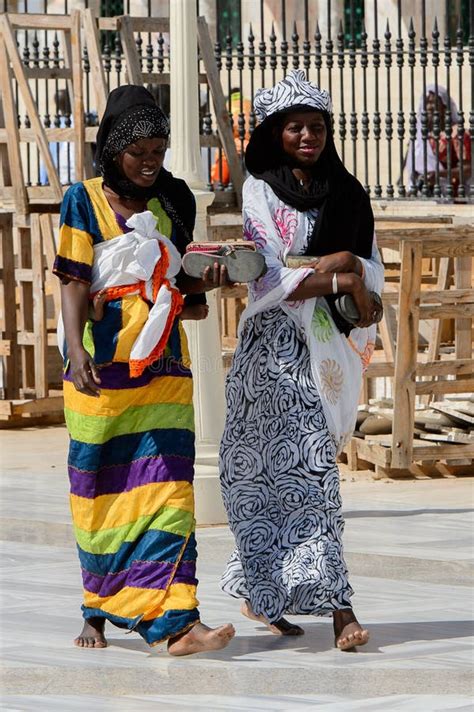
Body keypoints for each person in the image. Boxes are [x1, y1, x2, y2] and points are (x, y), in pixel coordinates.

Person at [53, 85, 234, 655]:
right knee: (101, 493)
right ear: (113, 151)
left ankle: (180, 619)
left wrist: (207, 282)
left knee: (168, 490)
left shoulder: (172, 201)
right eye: (140, 152)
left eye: (159, 148)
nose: (152, 160)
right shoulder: (82, 201)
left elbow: (184, 285)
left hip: (163, 367)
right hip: (100, 374)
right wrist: (77, 350)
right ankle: (98, 607)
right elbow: (74, 278)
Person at [219, 69, 384, 650]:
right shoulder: (259, 190)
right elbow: (265, 275)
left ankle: (334, 608)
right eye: (295, 128)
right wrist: (341, 272)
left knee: (315, 472)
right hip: (268, 354)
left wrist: (342, 266)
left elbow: (373, 274)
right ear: (274, 133)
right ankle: (278, 599)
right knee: (262, 480)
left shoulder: (349, 191)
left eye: (317, 126)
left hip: (324, 352)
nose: (308, 136)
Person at [406, 84, 471, 197]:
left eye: (434, 102)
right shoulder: (421, 137)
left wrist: (438, 174)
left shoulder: (457, 133)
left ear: (444, 106)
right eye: (427, 103)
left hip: (450, 194)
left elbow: (467, 169)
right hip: (422, 193)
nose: (430, 107)